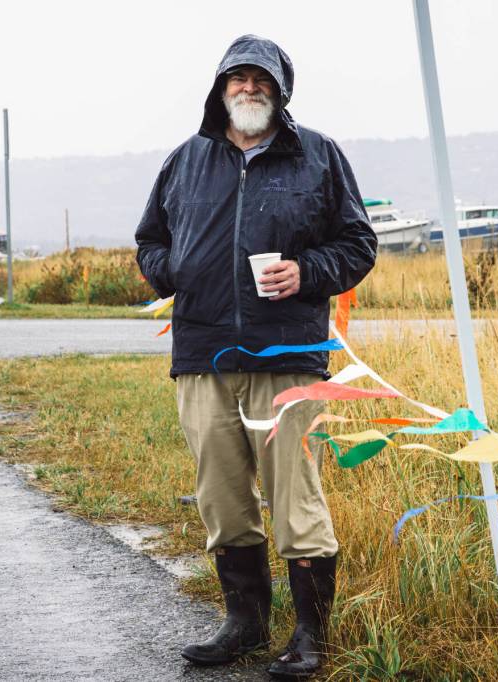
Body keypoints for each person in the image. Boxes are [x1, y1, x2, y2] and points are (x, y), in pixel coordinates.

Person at [135, 34, 377, 680]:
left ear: (280, 91)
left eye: (260, 80)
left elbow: (359, 244)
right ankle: (244, 625)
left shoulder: (318, 157)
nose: (248, 89)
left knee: (295, 498)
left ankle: (309, 636)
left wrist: (306, 272)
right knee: (220, 496)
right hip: (203, 356)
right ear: (220, 92)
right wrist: (172, 270)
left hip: (288, 358)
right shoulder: (185, 162)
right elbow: (148, 243)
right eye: (237, 79)